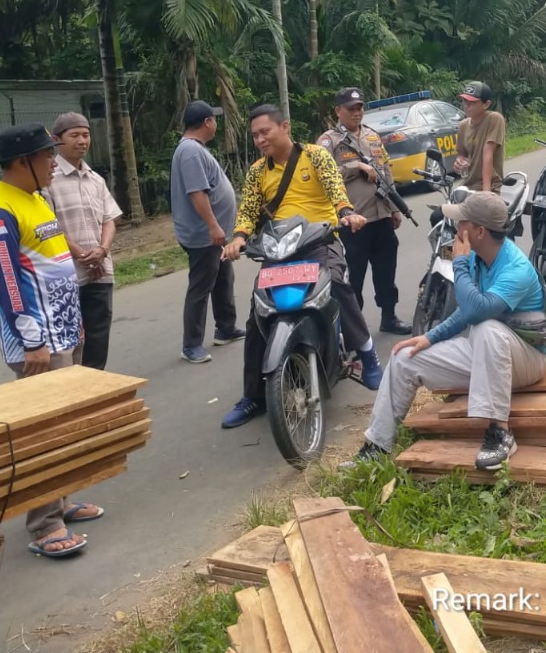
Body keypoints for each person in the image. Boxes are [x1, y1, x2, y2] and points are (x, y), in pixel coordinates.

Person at [0, 124, 104, 559]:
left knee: (62, 426)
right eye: (46, 156)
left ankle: (61, 502)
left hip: (62, 332)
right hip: (38, 343)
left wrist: (74, 323)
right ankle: (44, 525)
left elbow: (54, 262)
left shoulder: (35, 199)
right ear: (21, 162)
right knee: (43, 434)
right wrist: (32, 341)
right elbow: (7, 280)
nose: (54, 162)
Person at [354, 191, 546, 470]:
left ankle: (500, 433)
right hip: (487, 354)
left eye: (462, 222)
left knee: (486, 328)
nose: (456, 227)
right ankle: (376, 445)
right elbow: (466, 312)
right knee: (405, 356)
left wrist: (458, 263)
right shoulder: (478, 258)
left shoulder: (515, 268)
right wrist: (429, 337)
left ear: (480, 231)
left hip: (528, 359)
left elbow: (476, 311)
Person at [220, 104, 383, 429]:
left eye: (265, 132)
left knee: (337, 285)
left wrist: (346, 213)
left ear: (285, 127)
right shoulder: (257, 171)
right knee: (258, 310)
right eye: (255, 135)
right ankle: (252, 395)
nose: (260, 140)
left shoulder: (315, 156)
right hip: (280, 247)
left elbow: (336, 189)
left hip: (320, 240)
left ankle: (367, 353)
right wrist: (238, 238)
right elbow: (248, 210)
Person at [317, 87, 411, 335]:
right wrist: (355, 166)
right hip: (353, 221)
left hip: (381, 216)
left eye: (359, 108)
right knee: (353, 278)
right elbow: (321, 175)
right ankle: (353, 330)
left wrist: (395, 208)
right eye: (351, 109)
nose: (356, 113)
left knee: (386, 272)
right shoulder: (329, 141)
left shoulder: (372, 136)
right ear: (338, 111)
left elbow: (385, 171)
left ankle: (389, 317)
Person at [43, 111, 123, 370]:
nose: (82, 141)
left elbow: (109, 219)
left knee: (98, 339)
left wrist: (102, 250)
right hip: (67, 277)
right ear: (57, 140)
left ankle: (97, 385)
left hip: (100, 272)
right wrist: (82, 255)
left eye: (86, 135)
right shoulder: (48, 180)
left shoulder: (96, 179)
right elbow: (49, 226)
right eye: (74, 135)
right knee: (70, 344)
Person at [170, 99, 245, 364]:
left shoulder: (196, 149)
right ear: (207, 122)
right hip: (204, 234)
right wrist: (213, 225)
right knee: (201, 287)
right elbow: (197, 193)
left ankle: (226, 327)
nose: (216, 124)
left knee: (223, 277)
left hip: (214, 234)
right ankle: (191, 345)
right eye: (214, 119)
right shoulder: (190, 151)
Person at [454, 81, 505, 193]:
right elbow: (462, 154)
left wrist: (486, 192)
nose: (466, 105)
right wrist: (459, 161)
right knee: (447, 203)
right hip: (468, 185)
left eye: (472, 102)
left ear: (486, 104)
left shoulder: (494, 119)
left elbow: (488, 153)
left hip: (490, 185)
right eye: (465, 100)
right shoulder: (463, 126)